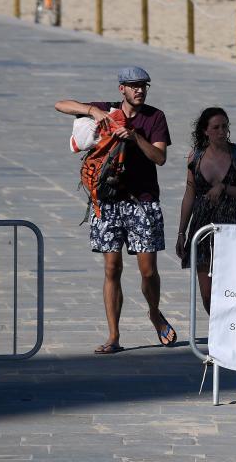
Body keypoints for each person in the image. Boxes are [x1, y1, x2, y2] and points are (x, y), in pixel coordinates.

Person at [54, 67, 176, 355]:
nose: (139, 90)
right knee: (112, 268)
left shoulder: (154, 117)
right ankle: (113, 336)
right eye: (133, 86)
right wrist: (91, 112)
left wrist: (135, 138)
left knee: (148, 271)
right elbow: (60, 104)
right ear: (122, 89)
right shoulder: (106, 109)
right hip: (106, 201)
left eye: (143, 86)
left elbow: (160, 157)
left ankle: (154, 312)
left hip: (143, 201)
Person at [176, 108, 236, 314]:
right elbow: (189, 195)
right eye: (216, 127)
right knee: (207, 294)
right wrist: (181, 233)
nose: (222, 131)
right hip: (202, 228)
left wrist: (224, 187)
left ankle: (230, 334)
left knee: (231, 289)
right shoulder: (195, 157)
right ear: (205, 131)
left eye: (225, 126)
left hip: (232, 228)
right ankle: (218, 332)